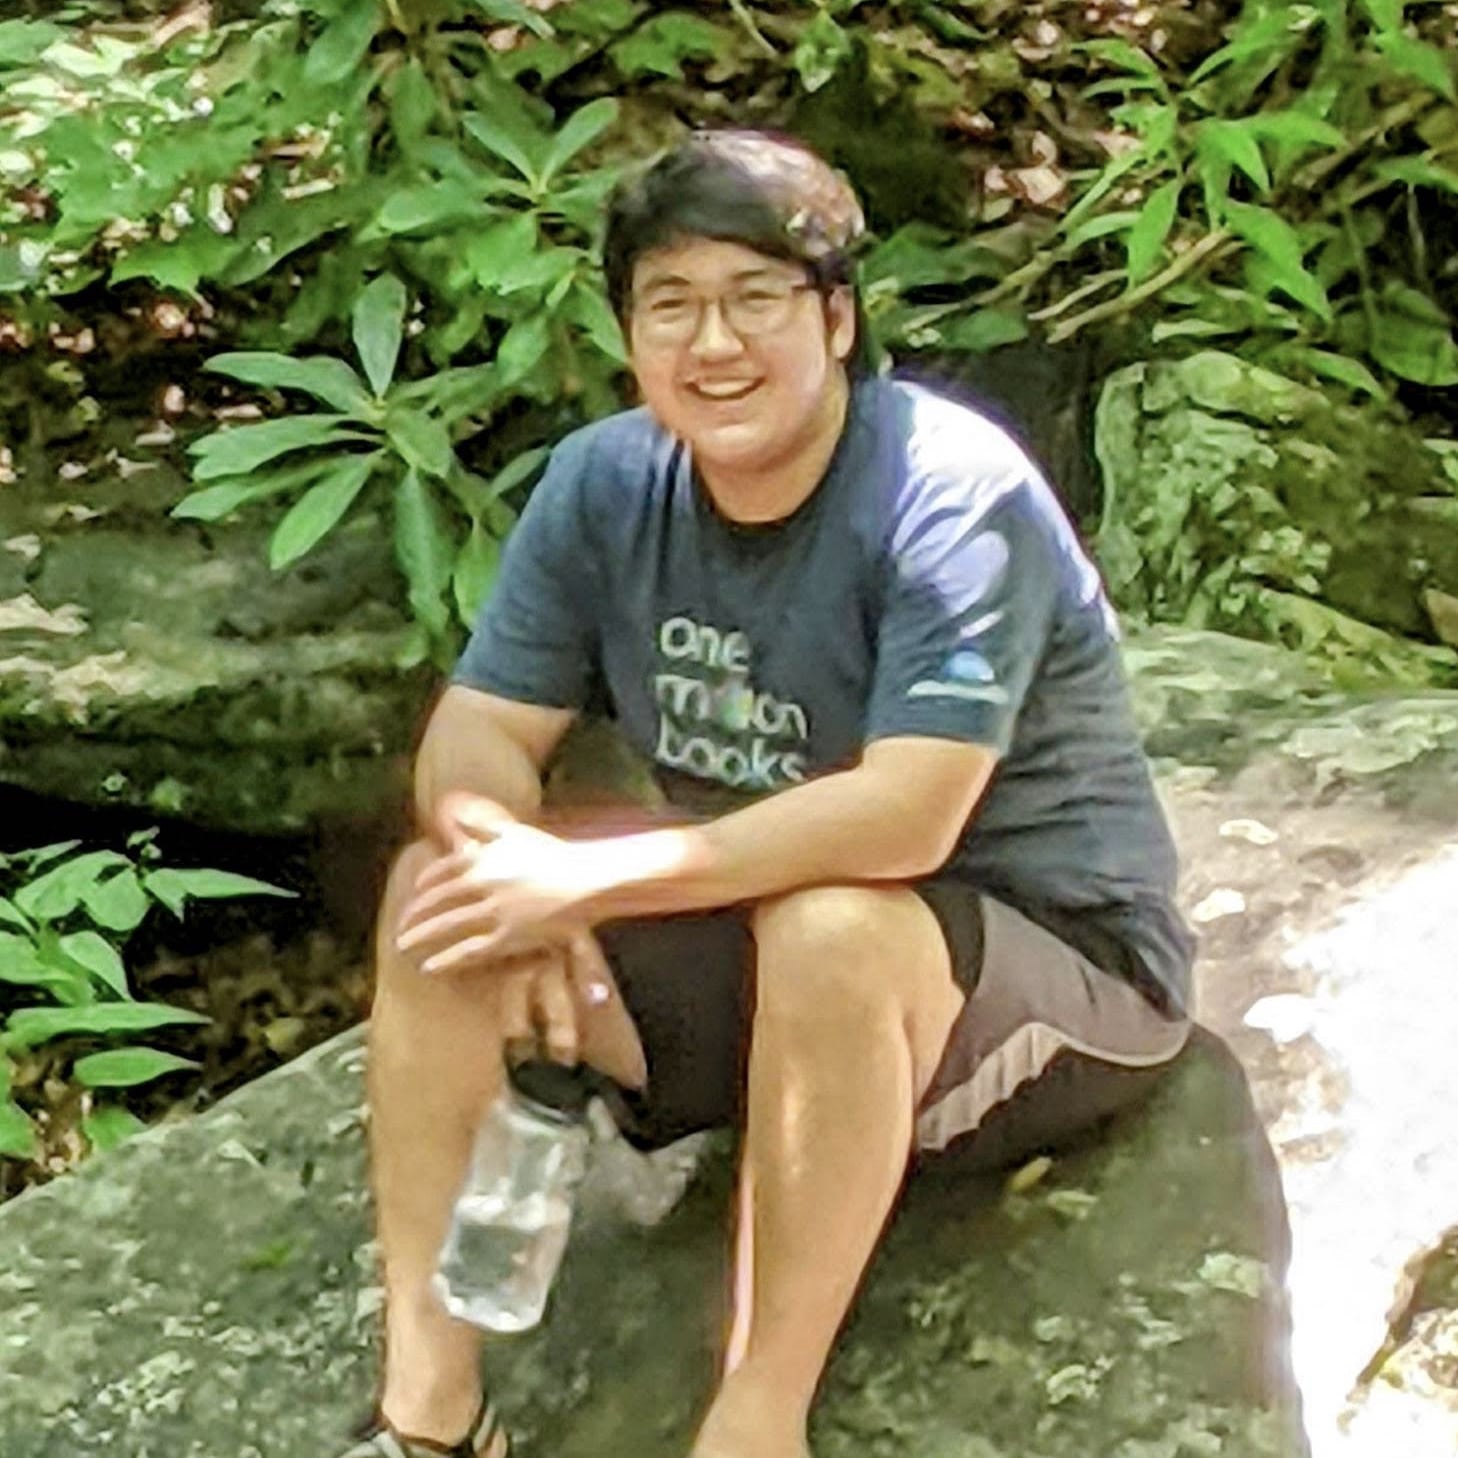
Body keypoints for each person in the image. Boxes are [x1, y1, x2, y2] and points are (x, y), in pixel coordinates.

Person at [346, 129, 1196, 1458]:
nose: (713, 343)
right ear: (626, 332)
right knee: (433, 900)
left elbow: (904, 815)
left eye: (756, 298)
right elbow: (477, 733)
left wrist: (589, 877)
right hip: (777, 970)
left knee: (834, 920)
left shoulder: (945, 491)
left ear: (838, 316)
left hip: (1045, 978)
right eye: (669, 304)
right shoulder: (606, 480)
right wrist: (510, 866)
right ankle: (429, 1411)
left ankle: (755, 1421)